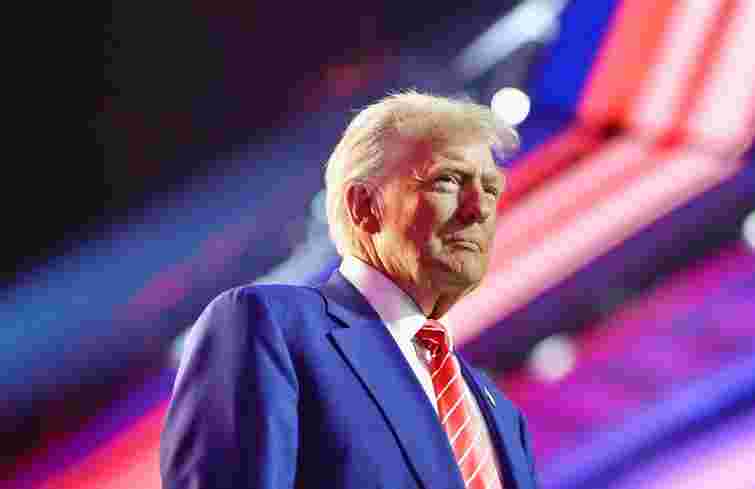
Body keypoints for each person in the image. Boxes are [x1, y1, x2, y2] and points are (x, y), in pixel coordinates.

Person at [160, 90, 538, 489]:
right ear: (364, 206)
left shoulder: (502, 417)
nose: (480, 208)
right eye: (447, 180)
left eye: (491, 189)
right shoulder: (271, 328)